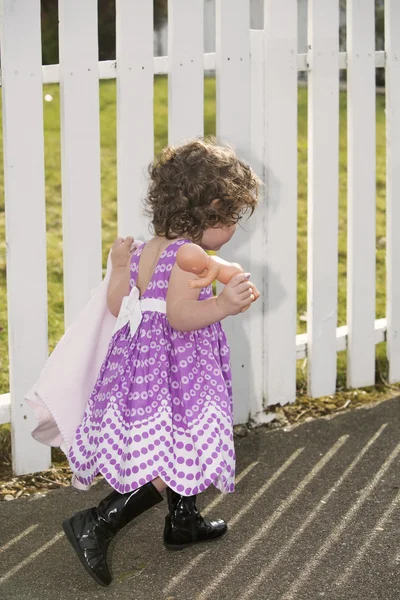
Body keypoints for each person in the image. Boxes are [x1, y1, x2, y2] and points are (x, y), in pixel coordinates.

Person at [62, 138, 260, 587]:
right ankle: (98, 521)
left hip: (143, 368)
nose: (232, 229)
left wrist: (116, 268)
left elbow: (119, 304)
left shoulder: (146, 250)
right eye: (231, 219)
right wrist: (222, 306)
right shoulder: (189, 257)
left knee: (176, 442)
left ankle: (183, 522)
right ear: (211, 211)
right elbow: (180, 315)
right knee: (179, 449)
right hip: (180, 367)